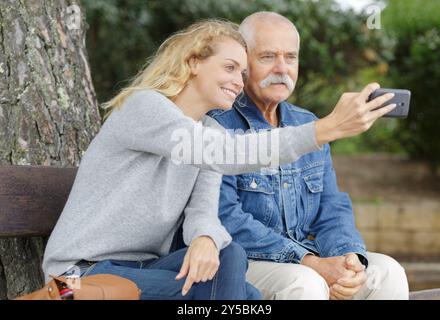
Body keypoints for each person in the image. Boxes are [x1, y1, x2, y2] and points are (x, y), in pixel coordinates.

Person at [42, 17, 395, 300]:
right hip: (77, 277)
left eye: (242, 73)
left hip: (147, 267)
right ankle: (51, 298)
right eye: (229, 68)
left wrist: (206, 238)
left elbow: (203, 213)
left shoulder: (210, 129)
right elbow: (223, 154)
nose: (238, 82)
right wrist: (324, 129)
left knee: (232, 258)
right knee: (235, 297)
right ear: (194, 61)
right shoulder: (145, 108)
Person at [208, 12, 409, 300]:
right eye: (268, 57)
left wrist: (347, 257)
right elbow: (226, 218)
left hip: (305, 256)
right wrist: (310, 262)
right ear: (242, 62)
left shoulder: (307, 122)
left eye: (290, 57)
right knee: (305, 284)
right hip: (242, 261)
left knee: (387, 272)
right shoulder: (217, 125)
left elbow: (331, 206)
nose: (282, 68)